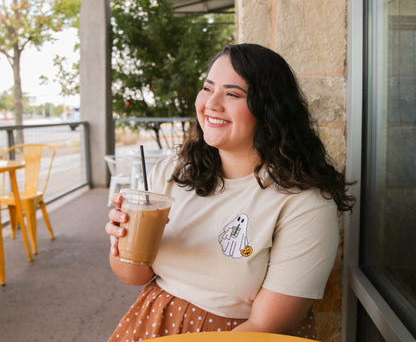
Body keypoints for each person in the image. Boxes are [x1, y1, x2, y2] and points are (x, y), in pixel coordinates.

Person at [105, 43, 355, 341]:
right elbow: (135, 277)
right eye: (208, 88)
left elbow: (268, 325)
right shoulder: (171, 171)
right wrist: (121, 243)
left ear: (269, 109)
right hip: (152, 325)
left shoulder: (305, 202)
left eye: (232, 94)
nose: (211, 103)